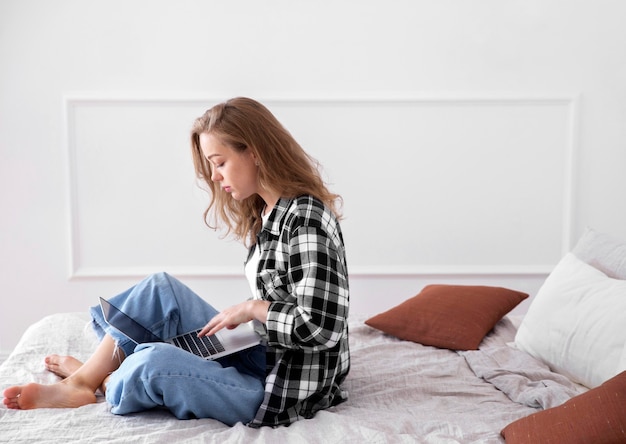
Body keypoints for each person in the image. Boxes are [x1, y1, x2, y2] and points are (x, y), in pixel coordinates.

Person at [2, 97, 350, 427]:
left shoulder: (305, 220)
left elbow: (321, 327)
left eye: (219, 162)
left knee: (155, 363)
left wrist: (253, 309)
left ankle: (107, 382)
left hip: (284, 388)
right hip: (263, 350)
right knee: (159, 290)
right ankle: (81, 381)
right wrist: (249, 319)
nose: (215, 176)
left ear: (255, 153)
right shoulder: (269, 209)